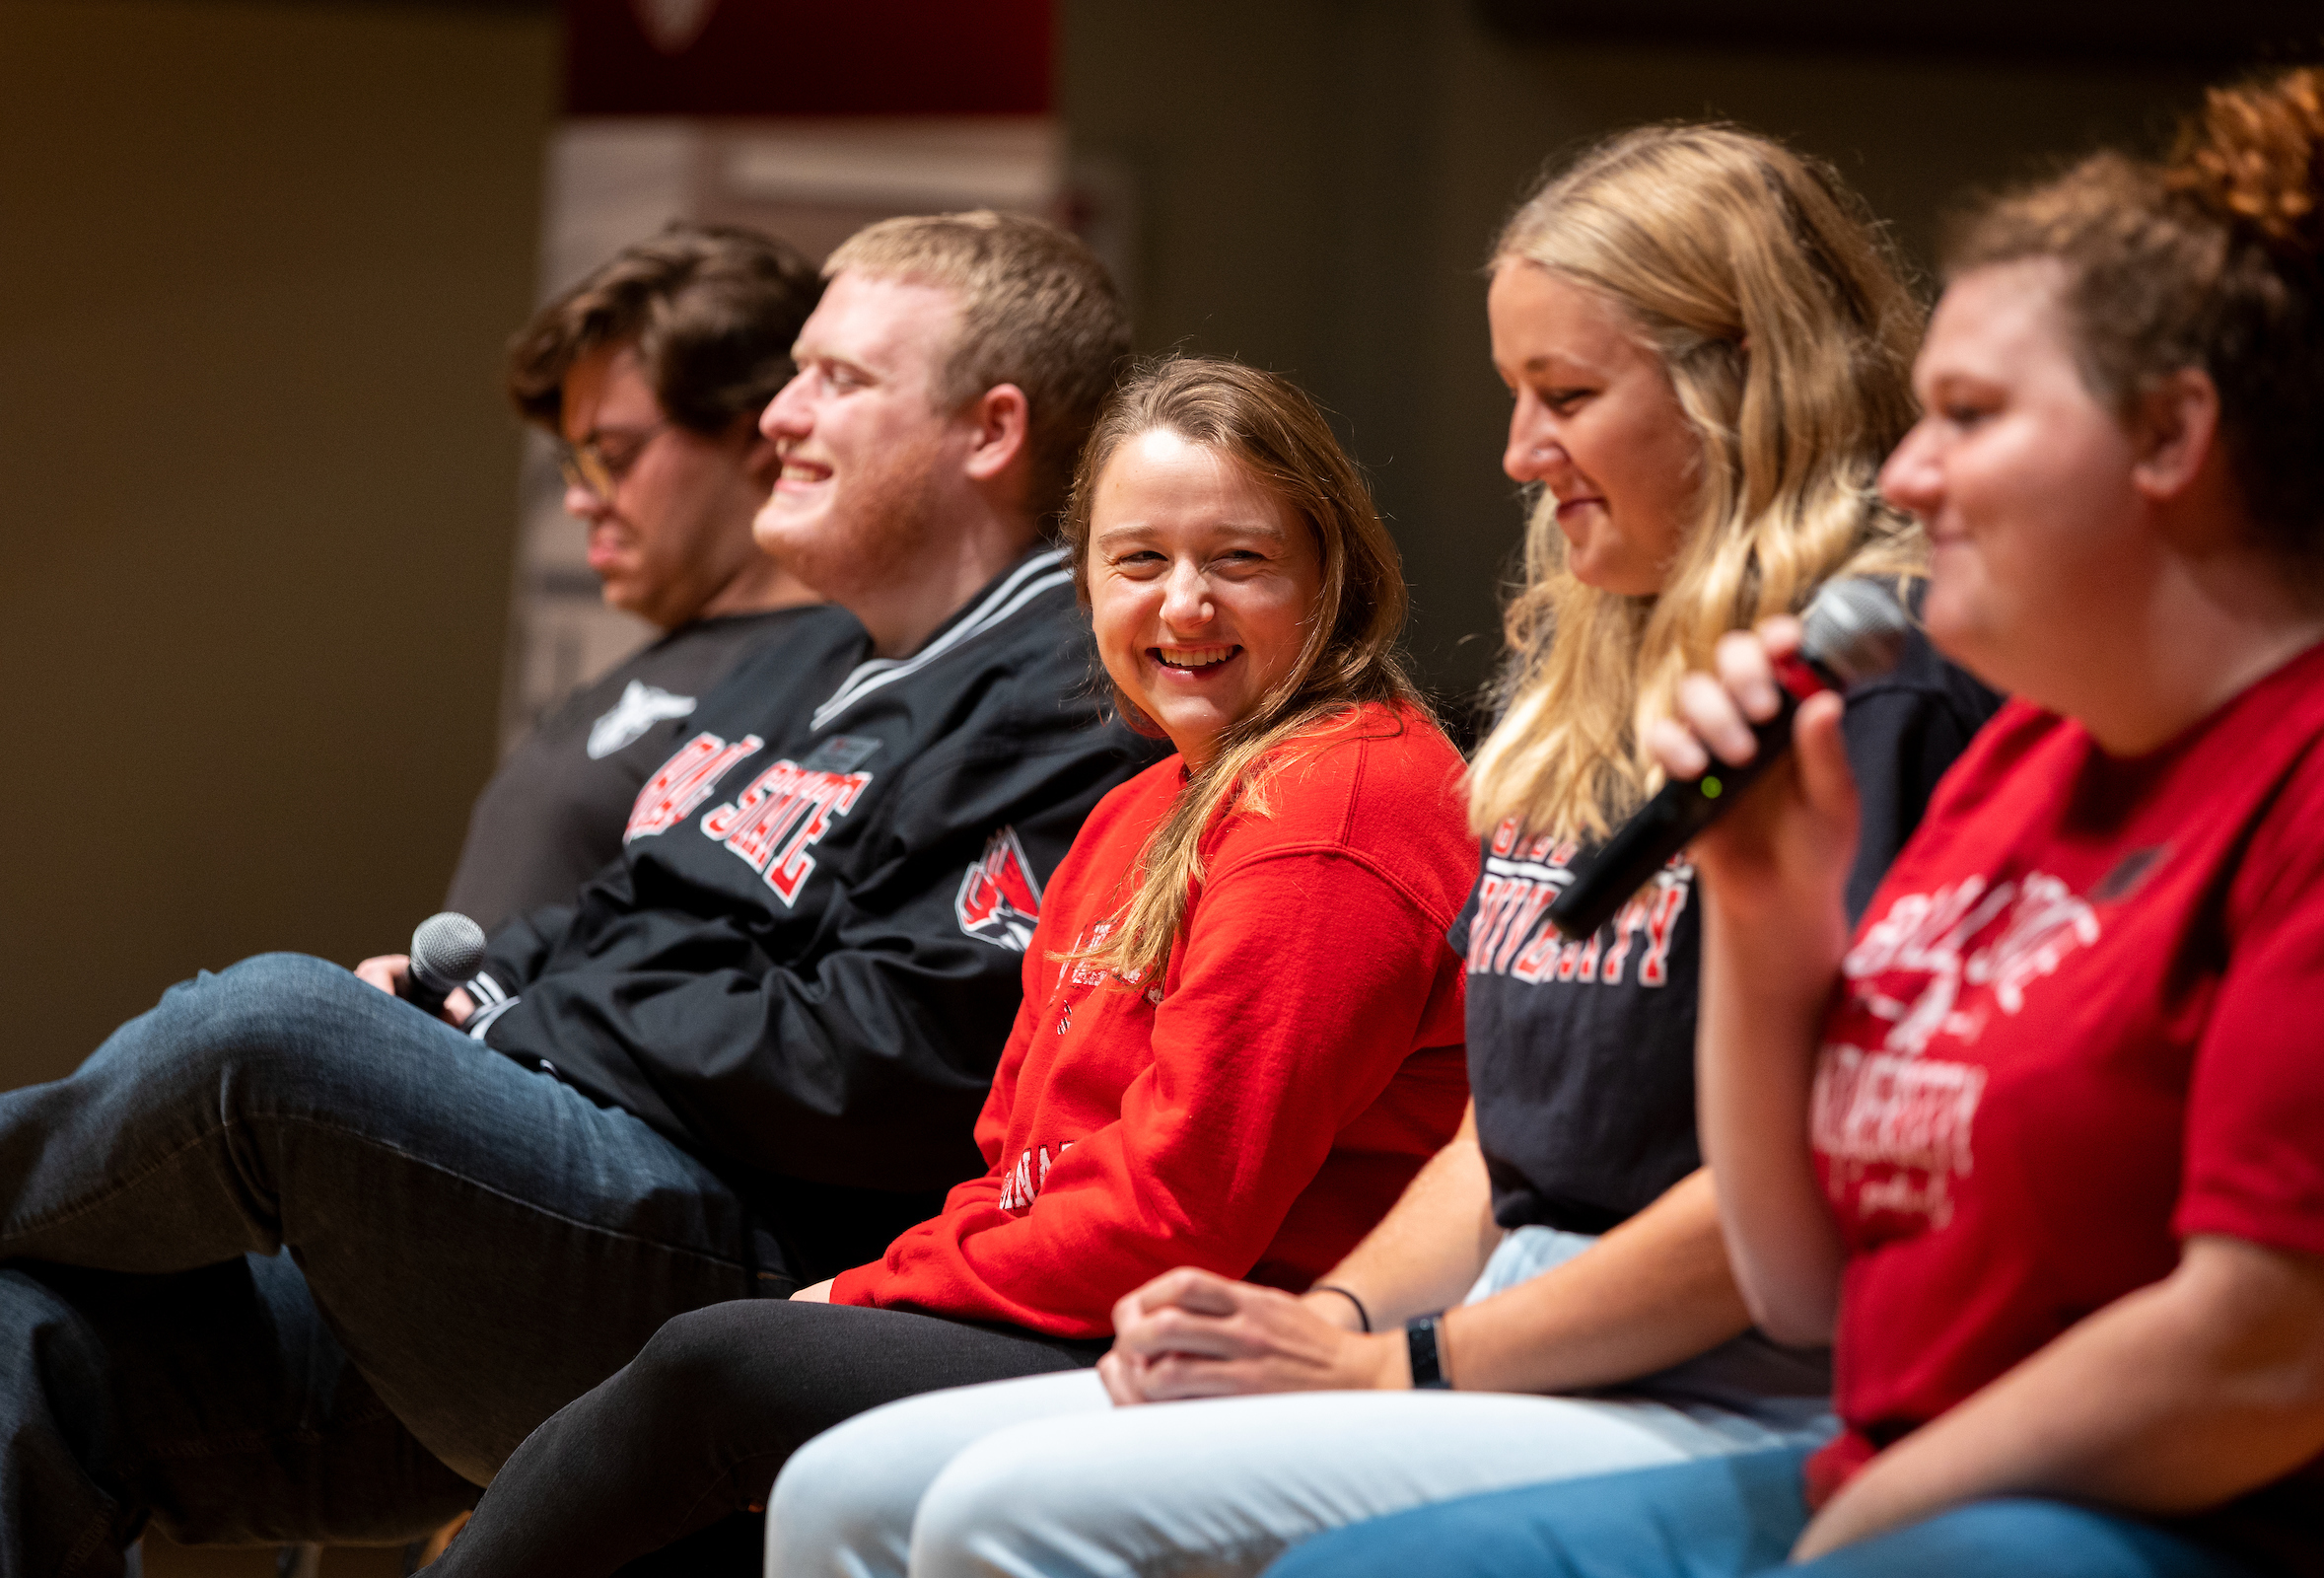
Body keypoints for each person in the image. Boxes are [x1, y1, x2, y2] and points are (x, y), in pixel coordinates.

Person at [765, 125, 1996, 1578]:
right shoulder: (1589, 689)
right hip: (1503, 1315)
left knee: (1001, 1509)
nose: (1519, 452)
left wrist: (1394, 1363)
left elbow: (1794, 1205)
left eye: (1566, 396)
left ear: (1739, 384)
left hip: (1724, 1373)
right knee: (842, 1489)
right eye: (1516, 393)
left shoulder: (1881, 701)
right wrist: (1335, 1324)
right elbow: (1501, 1140)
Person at [1257, 65, 2324, 1578]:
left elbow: (2266, 1352)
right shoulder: (2028, 763)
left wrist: (1854, 1526)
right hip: (1888, 1463)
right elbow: (1809, 1287)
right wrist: (1770, 936)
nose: (1907, 471)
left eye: (1969, 416)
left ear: (2171, 435)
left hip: (2168, 1513)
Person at [0, 210, 1159, 1572]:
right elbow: (618, 910)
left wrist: (523, 1024)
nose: (780, 416)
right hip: (548, 1219)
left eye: (838, 379)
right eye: (794, 372)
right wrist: (465, 988)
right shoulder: (799, 660)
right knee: (28, 1335)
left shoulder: (1076, 694)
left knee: (272, 1036)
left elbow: (888, 1054)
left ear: (990, 430)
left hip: (748, 1266)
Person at [418, 354, 1480, 1576]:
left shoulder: (1338, 801)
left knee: (721, 1367)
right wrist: (881, 1283)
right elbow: (1012, 1165)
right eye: (1139, 561)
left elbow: (1180, 1214)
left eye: (1239, 560)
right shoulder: (1133, 810)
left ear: (1332, 577)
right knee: (733, 1424)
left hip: (1234, 1345)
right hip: (1099, 1314)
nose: (1184, 605)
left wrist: (864, 1297)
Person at [448, 224, 839, 932]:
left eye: (614, 457)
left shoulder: (842, 679)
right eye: (575, 463)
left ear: (760, 433)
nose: (580, 499)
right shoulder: (664, 662)